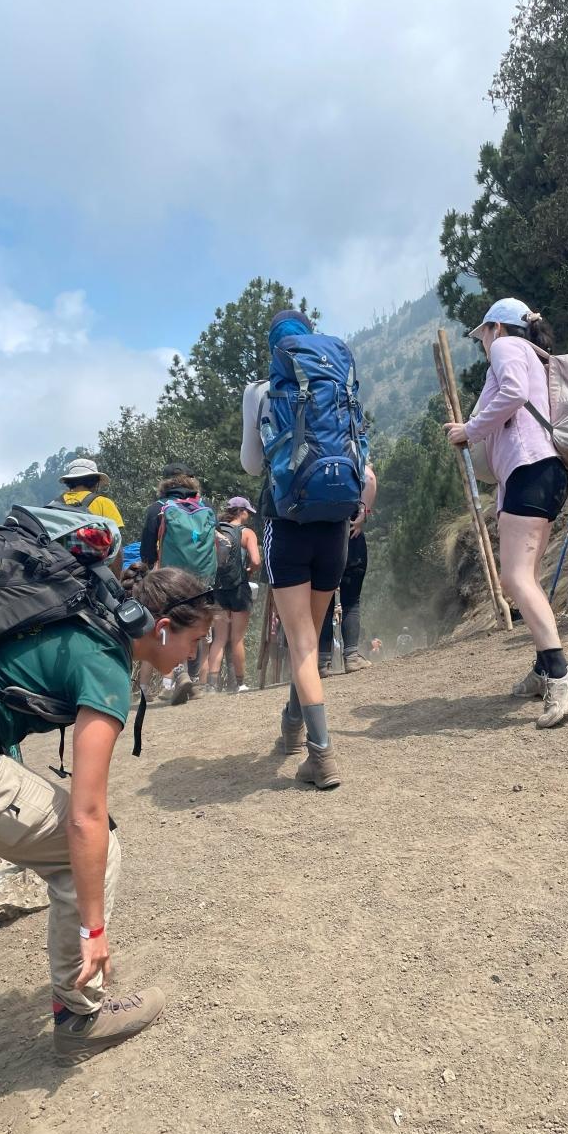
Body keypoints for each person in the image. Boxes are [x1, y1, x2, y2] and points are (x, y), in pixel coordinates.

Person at [0, 567, 216, 1091]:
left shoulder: (79, 623)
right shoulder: (105, 660)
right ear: (162, 629)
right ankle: (79, 1017)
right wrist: (94, 930)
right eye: (195, 640)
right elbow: (86, 817)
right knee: (93, 850)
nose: (194, 654)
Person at [242, 309, 376, 789]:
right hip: (336, 524)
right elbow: (364, 463)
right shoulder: (336, 384)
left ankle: (321, 756)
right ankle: (292, 725)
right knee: (312, 633)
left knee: (301, 643)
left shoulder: (260, 389)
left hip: (287, 522)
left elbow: (251, 464)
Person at [445, 296, 568, 729]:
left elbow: (511, 394)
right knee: (527, 577)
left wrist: (469, 429)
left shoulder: (508, 347)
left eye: (483, 334)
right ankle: (544, 668)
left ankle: (561, 675)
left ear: (496, 327)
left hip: (530, 471)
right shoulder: (536, 356)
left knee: (514, 579)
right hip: (547, 472)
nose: (482, 343)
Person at [139, 464, 216, 703]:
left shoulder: (158, 508)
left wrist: (150, 572)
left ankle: (179, 674)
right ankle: (192, 678)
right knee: (196, 623)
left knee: (171, 622)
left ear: (164, 483)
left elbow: (146, 551)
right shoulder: (204, 506)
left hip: (171, 578)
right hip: (203, 578)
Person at [202, 496, 261, 694]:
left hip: (218, 588)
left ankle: (211, 685)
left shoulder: (216, 531)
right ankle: (240, 683)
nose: (248, 516)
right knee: (237, 638)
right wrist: (249, 570)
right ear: (241, 512)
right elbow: (256, 561)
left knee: (219, 638)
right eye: (247, 512)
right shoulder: (247, 533)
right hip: (239, 589)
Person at [317, 519, 372, 675]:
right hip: (350, 535)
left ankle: (322, 663)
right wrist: (363, 515)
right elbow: (367, 504)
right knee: (351, 602)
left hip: (318, 540)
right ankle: (351, 657)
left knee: (324, 606)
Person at [57, 458, 124, 573]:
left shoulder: (54, 505)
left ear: (69, 481)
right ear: (95, 482)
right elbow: (117, 545)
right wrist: (116, 579)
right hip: (96, 573)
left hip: (61, 571)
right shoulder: (104, 503)